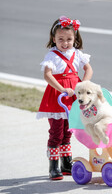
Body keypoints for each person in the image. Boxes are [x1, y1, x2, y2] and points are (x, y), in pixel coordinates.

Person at [37, 16, 93, 180]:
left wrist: (83, 85)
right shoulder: (52, 55)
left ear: (75, 38)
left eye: (69, 39)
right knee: (56, 132)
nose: (65, 43)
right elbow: (47, 75)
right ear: (53, 39)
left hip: (73, 97)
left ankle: (66, 163)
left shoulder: (77, 54)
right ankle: (53, 166)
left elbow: (88, 69)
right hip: (58, 96)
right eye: (60, 39)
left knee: (68, 131)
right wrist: (62, 89)